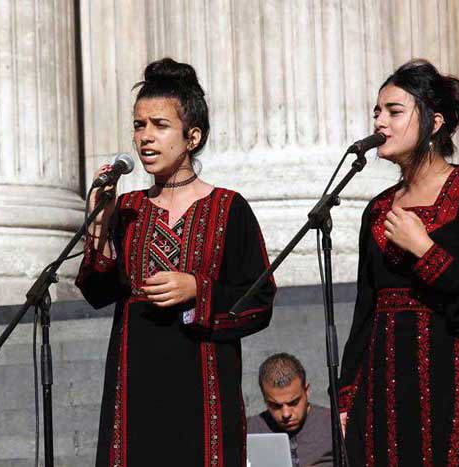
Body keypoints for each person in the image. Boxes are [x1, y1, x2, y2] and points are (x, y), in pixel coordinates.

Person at [76, 57, 277, 467]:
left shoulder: (228, 208)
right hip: (134, 391)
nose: (145, 137)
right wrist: (99, 219)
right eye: (138, 125)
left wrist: (198, 290)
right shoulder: (128, 208)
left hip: (203, 393)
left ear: (193, 136)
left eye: (159, 125)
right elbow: (97, 292)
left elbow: (259, 303)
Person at [338, 59, 459, 466]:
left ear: (434, 121)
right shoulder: (378, 209)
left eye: (393, 111)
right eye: (376, 112)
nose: (379, 122)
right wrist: (347, 396)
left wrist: (426, 249)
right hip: (384, 389)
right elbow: (364, 311)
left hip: (455, 381)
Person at [247, 353, 333, 467]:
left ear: (307, 391)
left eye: (294, 403)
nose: (286, 414)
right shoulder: (249, 430)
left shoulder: (333, 425)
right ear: (265, 399)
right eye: (276, 406)